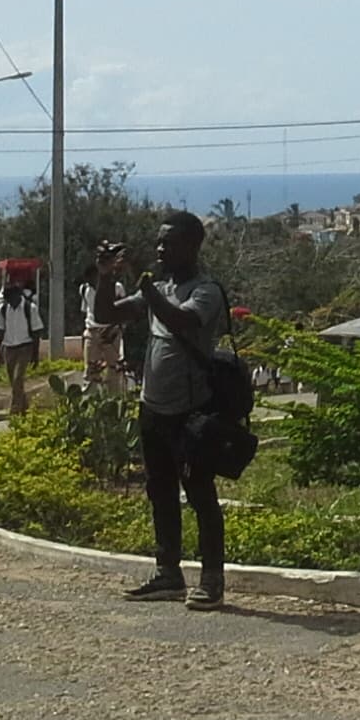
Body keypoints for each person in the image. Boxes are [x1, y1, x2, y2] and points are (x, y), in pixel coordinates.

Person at [116, 211, 228, 610]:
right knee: (160, 493)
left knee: (200, 495)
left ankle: (212, 578)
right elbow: (111, 313)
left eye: (170, 243)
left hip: (190, 413)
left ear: (192, 246)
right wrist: (101, 275)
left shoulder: (205, 291)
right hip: (153, 410)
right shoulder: (159, 288)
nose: (161, 249)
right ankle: (168, 574)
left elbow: (180, 320)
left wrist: (147, 290)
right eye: (158, 242)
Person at [0, 276, 44, 416]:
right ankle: (25, 408)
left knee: (18, 378)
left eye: (11, 299)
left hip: (25, 347)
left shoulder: (29, 308)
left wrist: (35, 354)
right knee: (13, 382)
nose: (9, 302)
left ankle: (15, 410)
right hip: (9, 348)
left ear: (18, 295)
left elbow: (36, 332)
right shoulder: (3, 309)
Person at [81, 242, 128, 392]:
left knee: (114, 369)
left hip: (111, 332)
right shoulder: (84, 290)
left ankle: (113, 400)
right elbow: (86, 310)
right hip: (92, 331)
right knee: (90, 370)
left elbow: (124, 311)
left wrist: (119, 329)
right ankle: (90, 401)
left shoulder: (116, 288)